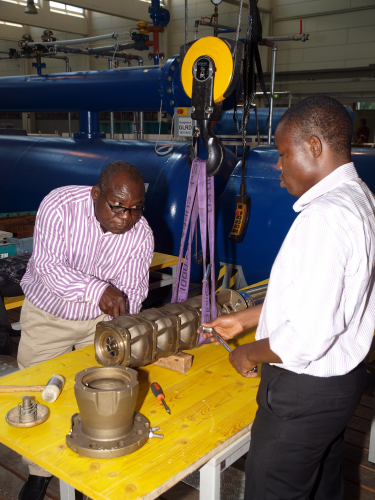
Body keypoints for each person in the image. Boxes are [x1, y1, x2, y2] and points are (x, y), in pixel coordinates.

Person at [202, 95, 375, 500]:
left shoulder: (325, 218)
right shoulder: (361, 198)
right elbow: (326, 300)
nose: (278, 166)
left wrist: (247, 353)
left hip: (304, 393)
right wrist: (246, 319)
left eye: (282, 153)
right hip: (341, 385)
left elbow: (308, 337)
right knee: (322, 485)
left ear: (314, 146)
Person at [18, 160, 154, 500]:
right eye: (118, 207)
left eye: (136, 209)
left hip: (98, 325)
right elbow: (48, 267)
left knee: (98, 395)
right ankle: (39, 472)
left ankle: (84, 471)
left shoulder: (141, 234)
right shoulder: (59, 206)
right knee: (38, 395)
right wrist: (99, 291)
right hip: (48, 316)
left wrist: (123, 330)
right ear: (96, 194)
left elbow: (133, 291)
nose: (126, 218)